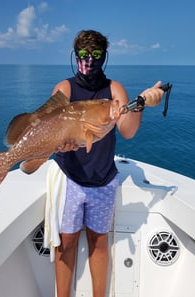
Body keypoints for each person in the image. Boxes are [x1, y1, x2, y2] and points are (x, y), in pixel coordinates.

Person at [51, 30, 164, 297]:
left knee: (98, 240)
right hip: (70, 178)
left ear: (105, 56)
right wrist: (60, 143)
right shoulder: (64, 89)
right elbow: (53, 129)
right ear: (75, 55)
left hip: (103, 179)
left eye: (96, 55)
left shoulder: (114, 90)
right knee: (66, 244)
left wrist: (140, 105)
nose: (89, 61)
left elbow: (126, 131)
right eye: (83, 55)